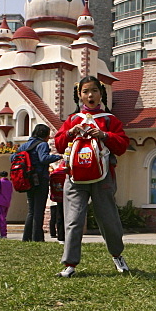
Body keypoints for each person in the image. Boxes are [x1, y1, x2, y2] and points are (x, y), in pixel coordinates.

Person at [54, 75, 130, 278]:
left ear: (101, 93)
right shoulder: (72, 120)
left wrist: (105, 135)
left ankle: (117, 255)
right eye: (85, 91)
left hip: (102, 177)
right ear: (79, 95)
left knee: (109, 219)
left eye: (94, 91)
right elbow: (59, 144)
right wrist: (71, 132)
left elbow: (122, 145)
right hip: (75, 177)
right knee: (73, 220)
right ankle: (70, 263)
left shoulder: (109, 120)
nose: (90, 95)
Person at [18, 123, 63, 242]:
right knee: (39, 210)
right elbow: (43, 159)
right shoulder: (42, 144)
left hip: (28, 180)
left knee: (31, 210)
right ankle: (37, 238)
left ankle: (26, 237)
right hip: (40, 179)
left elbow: (13, 158)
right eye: (48, 135)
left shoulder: (24, 146)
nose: (49, 137)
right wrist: (58, 157)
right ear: (44, 135)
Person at [48, 160, 67, 243]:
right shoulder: (67, 172)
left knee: (58, 216)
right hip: (68, 197)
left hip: (57, 197)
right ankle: (67, 236)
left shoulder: (54, 173)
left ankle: (60, 237)